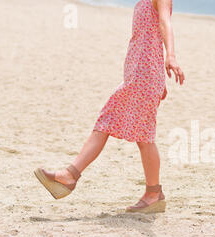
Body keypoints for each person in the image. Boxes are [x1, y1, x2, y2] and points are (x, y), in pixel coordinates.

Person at [34, 0, 184, 214]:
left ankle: (71, 176)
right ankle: (153, 193)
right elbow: (149, 37)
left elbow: (164, 23)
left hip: (144, 77)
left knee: (124, 128)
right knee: (135, 132)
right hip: (140, 76)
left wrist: (171, 56)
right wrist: (159, 78)